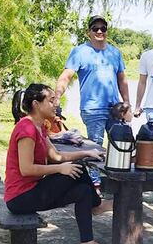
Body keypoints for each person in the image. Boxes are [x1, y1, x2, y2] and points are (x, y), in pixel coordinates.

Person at [4, 84, 113, 244]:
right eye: (51, 100)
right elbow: (26, 169)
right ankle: (97, 206)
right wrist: (60, 169)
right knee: (78, 171)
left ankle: (87, 243)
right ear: (36, 104)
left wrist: (86, 152)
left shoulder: (39, 127)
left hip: (32, 190)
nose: (56, 104)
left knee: (82, 190)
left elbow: (56, 156)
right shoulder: (26, 129)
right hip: (20, 197)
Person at [55, 15, 129, 185]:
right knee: (95, 147)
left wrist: (127, 104)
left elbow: (122, 80)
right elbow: (66, 76)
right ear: (88, 32)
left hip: (115, 108)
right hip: (92, 108)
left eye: (103, 28)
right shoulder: (79, 51)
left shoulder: (115, 52)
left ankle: (116, 182)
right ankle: (95, 186)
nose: (99, 31)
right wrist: (57, 95)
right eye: (95, 28)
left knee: (120, 144)